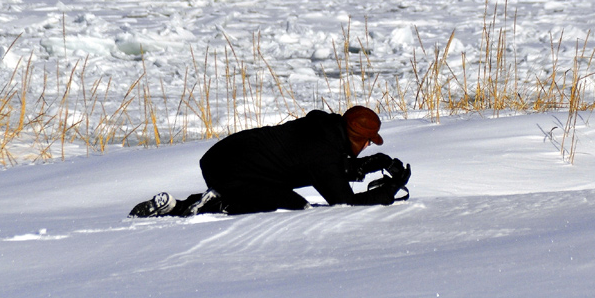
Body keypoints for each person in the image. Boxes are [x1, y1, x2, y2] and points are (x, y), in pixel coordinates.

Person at [129, 106, 411, 218]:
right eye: (367, 142)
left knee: (277, 197)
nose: (365, 147)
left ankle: (183, 205)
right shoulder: (324, 152)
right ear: (356, 137)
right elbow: (344, 204)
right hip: (234, 169)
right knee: (295, 209)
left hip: (225, 158)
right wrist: (389, 191)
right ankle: (212, 205)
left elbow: (325, 169)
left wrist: (373, 164)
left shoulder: (323, 131)